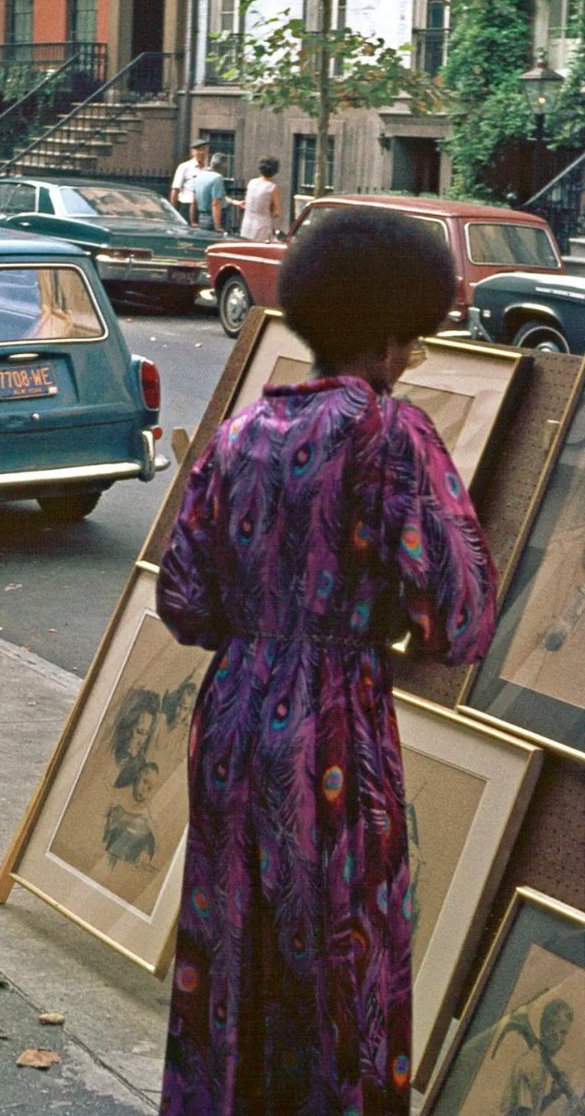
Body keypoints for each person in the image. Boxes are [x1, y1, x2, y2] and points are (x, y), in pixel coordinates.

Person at [155, 208, 498, 1115]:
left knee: (232, 952)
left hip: (231, 719)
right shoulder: (392, 434)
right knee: (342, 964)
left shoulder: (238, 435)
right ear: (392, 338)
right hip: (335, 723)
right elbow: (459, 617)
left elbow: (183, 600)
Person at [239, 156, 282, 241]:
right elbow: (277, 212)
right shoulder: (272, 188)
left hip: (247, 224)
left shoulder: (252, 182)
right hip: (262, 226)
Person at [170, 138, 209, 223]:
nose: (201, 153)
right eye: (198, 150)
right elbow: (175, 190)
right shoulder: (184, 167)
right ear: (192, 152)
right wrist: (173, 211)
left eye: (203, 149)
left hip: (202, 208)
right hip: (186, 206)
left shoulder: (208, 170)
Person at [191, 153, 228, 234]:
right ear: (223, 167)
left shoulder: (199, 176)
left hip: (201, 217)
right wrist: (218, 227)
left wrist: (193, 220)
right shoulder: (217, 178)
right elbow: (216, 203)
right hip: (214, 218)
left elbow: (194, 201)